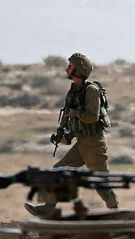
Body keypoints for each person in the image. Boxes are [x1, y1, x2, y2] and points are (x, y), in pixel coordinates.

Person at [26, 53, 117, 217]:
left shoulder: (91, 91)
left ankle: (117, 213)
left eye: (71, 67)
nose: (67, 69)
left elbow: (91, 117)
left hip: (93, 144)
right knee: (58, 171)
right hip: (82, 143)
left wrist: (75, 113)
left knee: (100, 183)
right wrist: (67, 136)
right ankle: (48, 208)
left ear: (79, 71)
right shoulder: (75, 90)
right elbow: (76, 121)